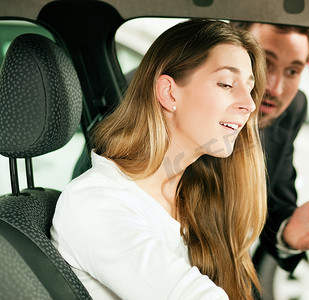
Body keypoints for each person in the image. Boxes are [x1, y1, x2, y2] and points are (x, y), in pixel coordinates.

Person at [51, 19, 268, 300]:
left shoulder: (191, 194)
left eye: (249, 89)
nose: (249, 105)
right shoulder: (96, 202)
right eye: (227, 83)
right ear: (168, 92)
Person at [230, 22, 309, 272]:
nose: (275, 88)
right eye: (265, 62)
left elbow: (275, 198)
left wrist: (287, 229)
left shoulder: (291, 109)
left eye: (293, 71)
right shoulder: (171, 102)